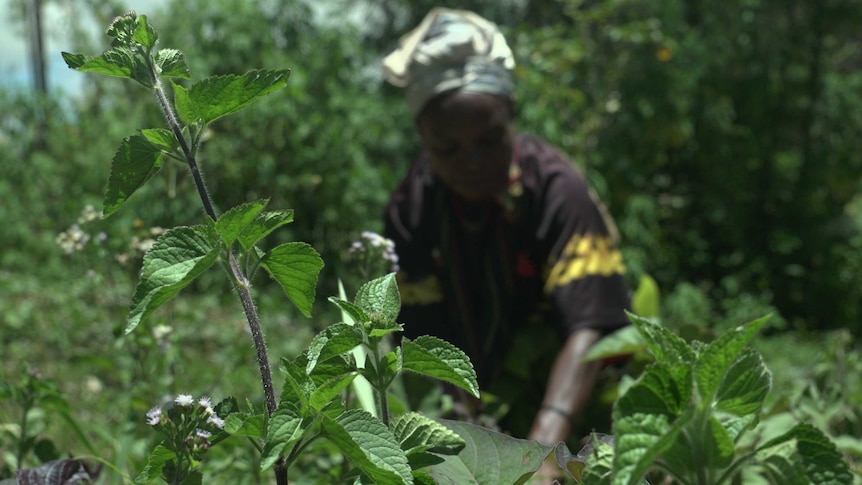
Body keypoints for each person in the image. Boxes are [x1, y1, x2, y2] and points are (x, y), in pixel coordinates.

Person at [381, 8, 631, 479]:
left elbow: (592, 324)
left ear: (511, 116)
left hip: (573, 400)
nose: (471, 162)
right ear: (422, 139)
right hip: (486, 399)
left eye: (489, 140)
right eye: (448, 149)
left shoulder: (557, 191)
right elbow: (423, 336)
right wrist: (465, 445)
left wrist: (539, 454)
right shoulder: (413, 207)